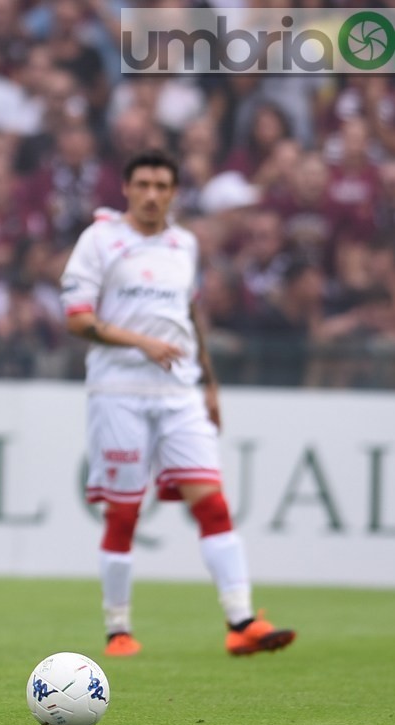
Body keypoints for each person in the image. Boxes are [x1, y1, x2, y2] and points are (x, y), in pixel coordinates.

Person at [59, 149, 296, 659]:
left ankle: (242, 622)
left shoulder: (183, 244)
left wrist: (209, 383)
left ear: (173, 193)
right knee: (124, 514)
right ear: (126, 187)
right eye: (142, 184)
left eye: (161, 186)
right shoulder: (100, 240)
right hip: (119, 391)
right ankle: (117, 628)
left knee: (212, 502)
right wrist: (140, 342)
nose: (151, 195)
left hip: (180, 392)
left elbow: (189, 315)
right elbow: (77, 320)